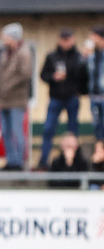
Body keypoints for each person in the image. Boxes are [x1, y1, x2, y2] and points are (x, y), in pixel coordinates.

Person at [36, 28, 86, 170]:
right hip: (55, 98)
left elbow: (83, 77)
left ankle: (75, 163)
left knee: (73, 132)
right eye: (63, 39)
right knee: (48, 129)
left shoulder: (79, 57)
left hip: (72, 98)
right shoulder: (52, 56)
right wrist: (53, 77)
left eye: (68, 39)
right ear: (59, 40)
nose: (65, 42)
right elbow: (43, 75)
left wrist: (80, 90)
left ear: (73, 40)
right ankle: (43, 162)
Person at [0, 23, 33, 170]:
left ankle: (20, 162)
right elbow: (0, 74)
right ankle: (11, 161)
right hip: (3, 100)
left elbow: (25, 75)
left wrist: (7, 86)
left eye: (5, 37)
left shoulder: (24, 53)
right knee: (5, 132)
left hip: (17, 100)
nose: (3, 40)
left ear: (13, 38)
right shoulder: (5, 53)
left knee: (17, 132)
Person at [85, 26, 104, 142]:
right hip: (94, 97)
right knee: (97, 129)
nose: (91, 39)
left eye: (93, 36)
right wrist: (83, 58)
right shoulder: (91, 56)